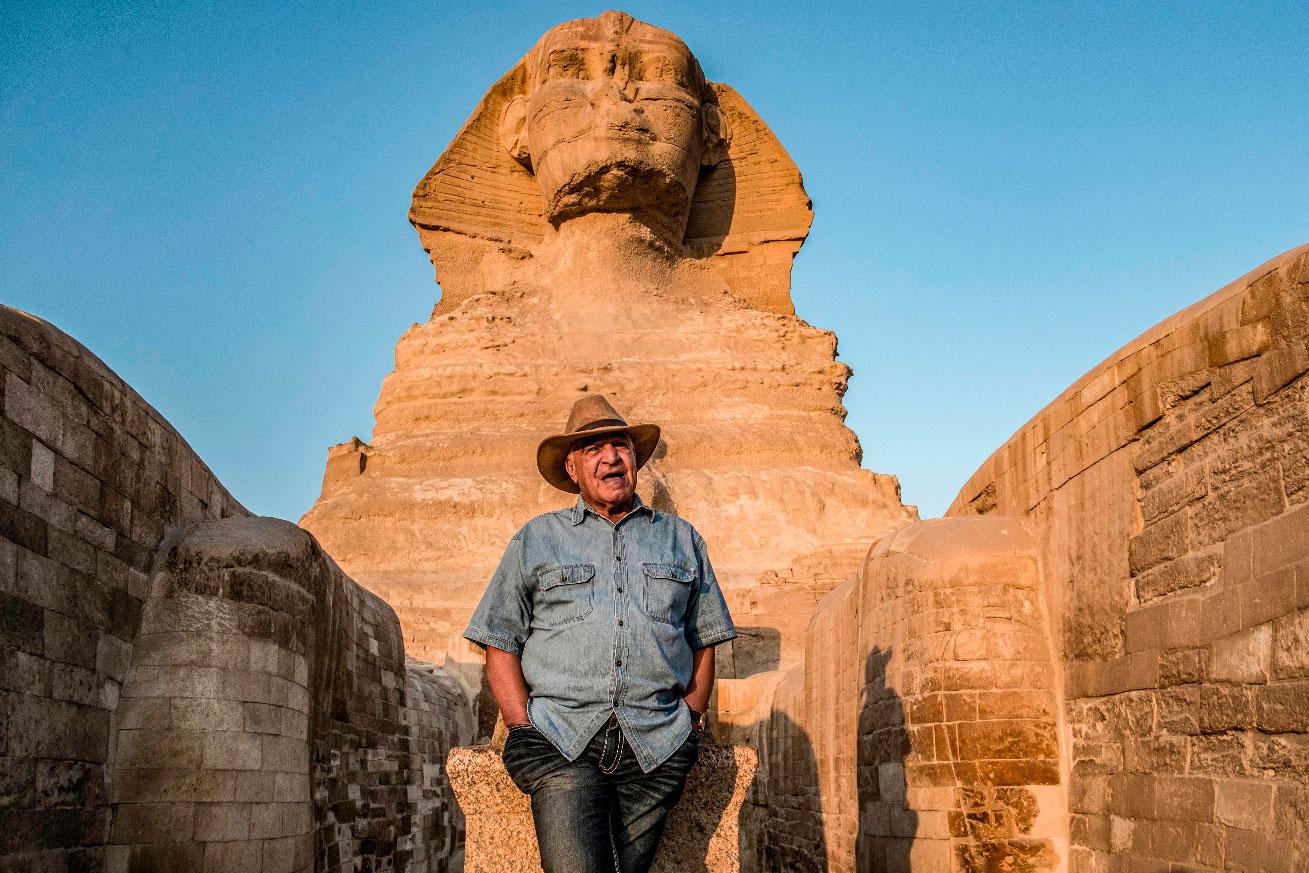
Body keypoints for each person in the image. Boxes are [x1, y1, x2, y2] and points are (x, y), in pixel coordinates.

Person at [464, 394, 737, 873]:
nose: (610, 457)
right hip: (562, 741)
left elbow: (704, 637)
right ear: (573, 469)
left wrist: (691, 721)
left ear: (635, 458)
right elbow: (499, 637)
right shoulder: (536, 539)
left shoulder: (683, 539)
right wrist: (520, 727)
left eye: (620, 445)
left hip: (657, 745)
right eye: (593, 448)